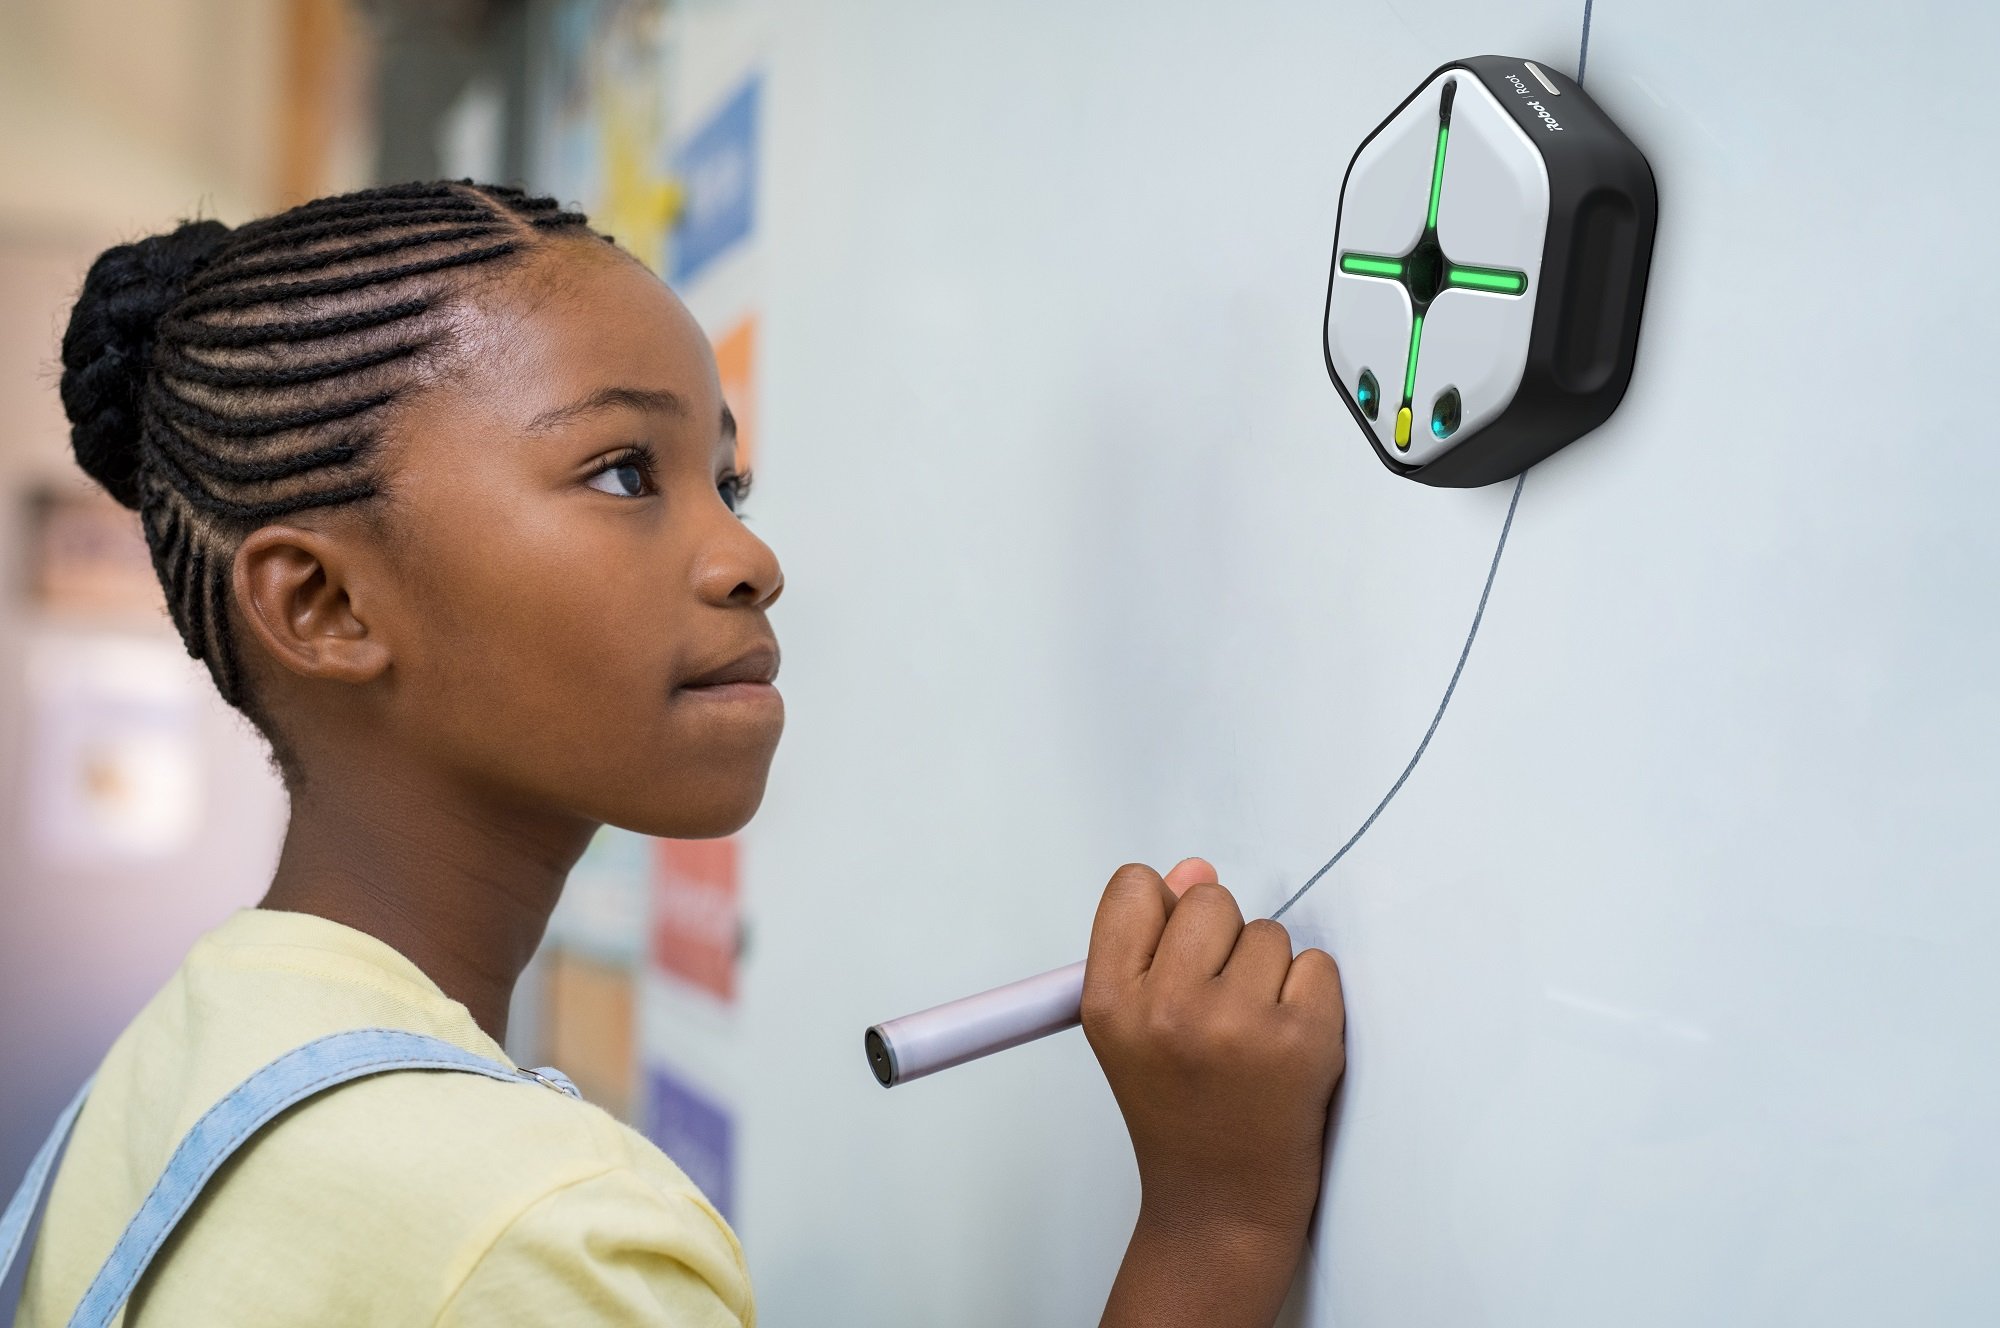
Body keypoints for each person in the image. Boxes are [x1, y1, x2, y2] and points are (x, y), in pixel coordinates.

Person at [12, 181, 1345, 1327]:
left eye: (729, 483)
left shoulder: (182, 1060)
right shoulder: (533, 1235)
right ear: (326, 606)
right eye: (621, 475)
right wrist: (1214, 1227)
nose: (749, 559)